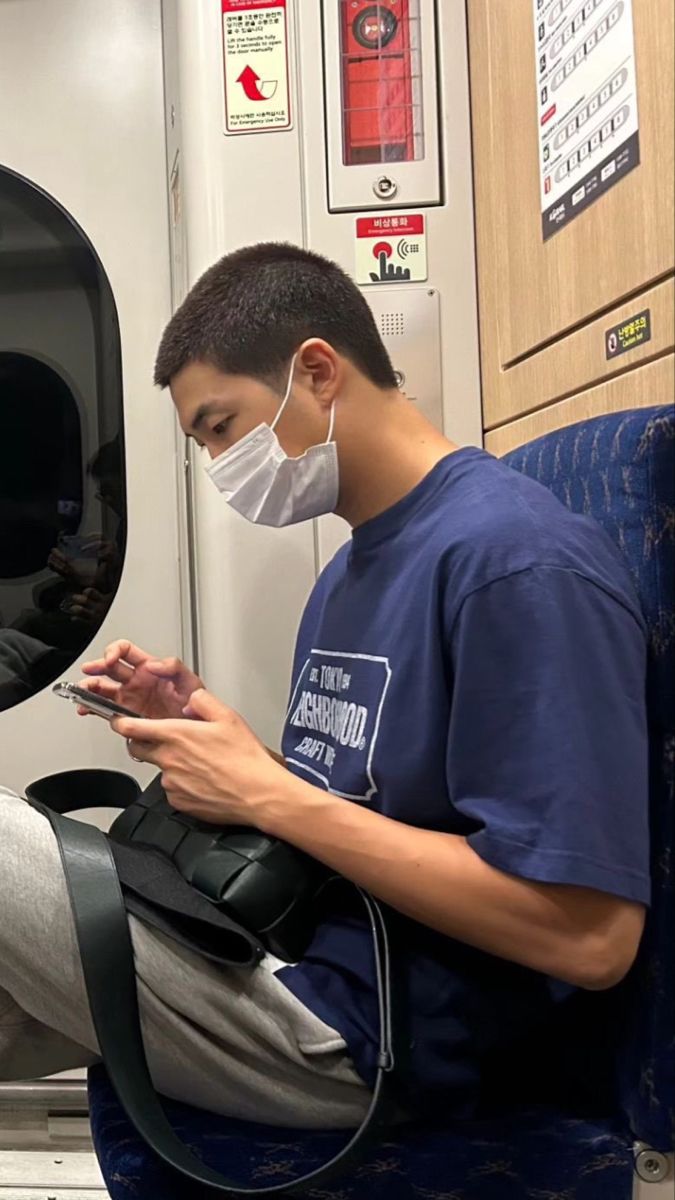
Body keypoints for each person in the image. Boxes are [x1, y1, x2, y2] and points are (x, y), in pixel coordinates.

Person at [0, 243, 650, 1129]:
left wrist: (267, 797)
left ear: (315, 370)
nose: (220, 465)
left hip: (371, 1035)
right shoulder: (351, 574)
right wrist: (219, 741)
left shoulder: (515, 565)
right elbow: (373, 810)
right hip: (279, 949)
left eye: (222, 428)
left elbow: (588, 935)